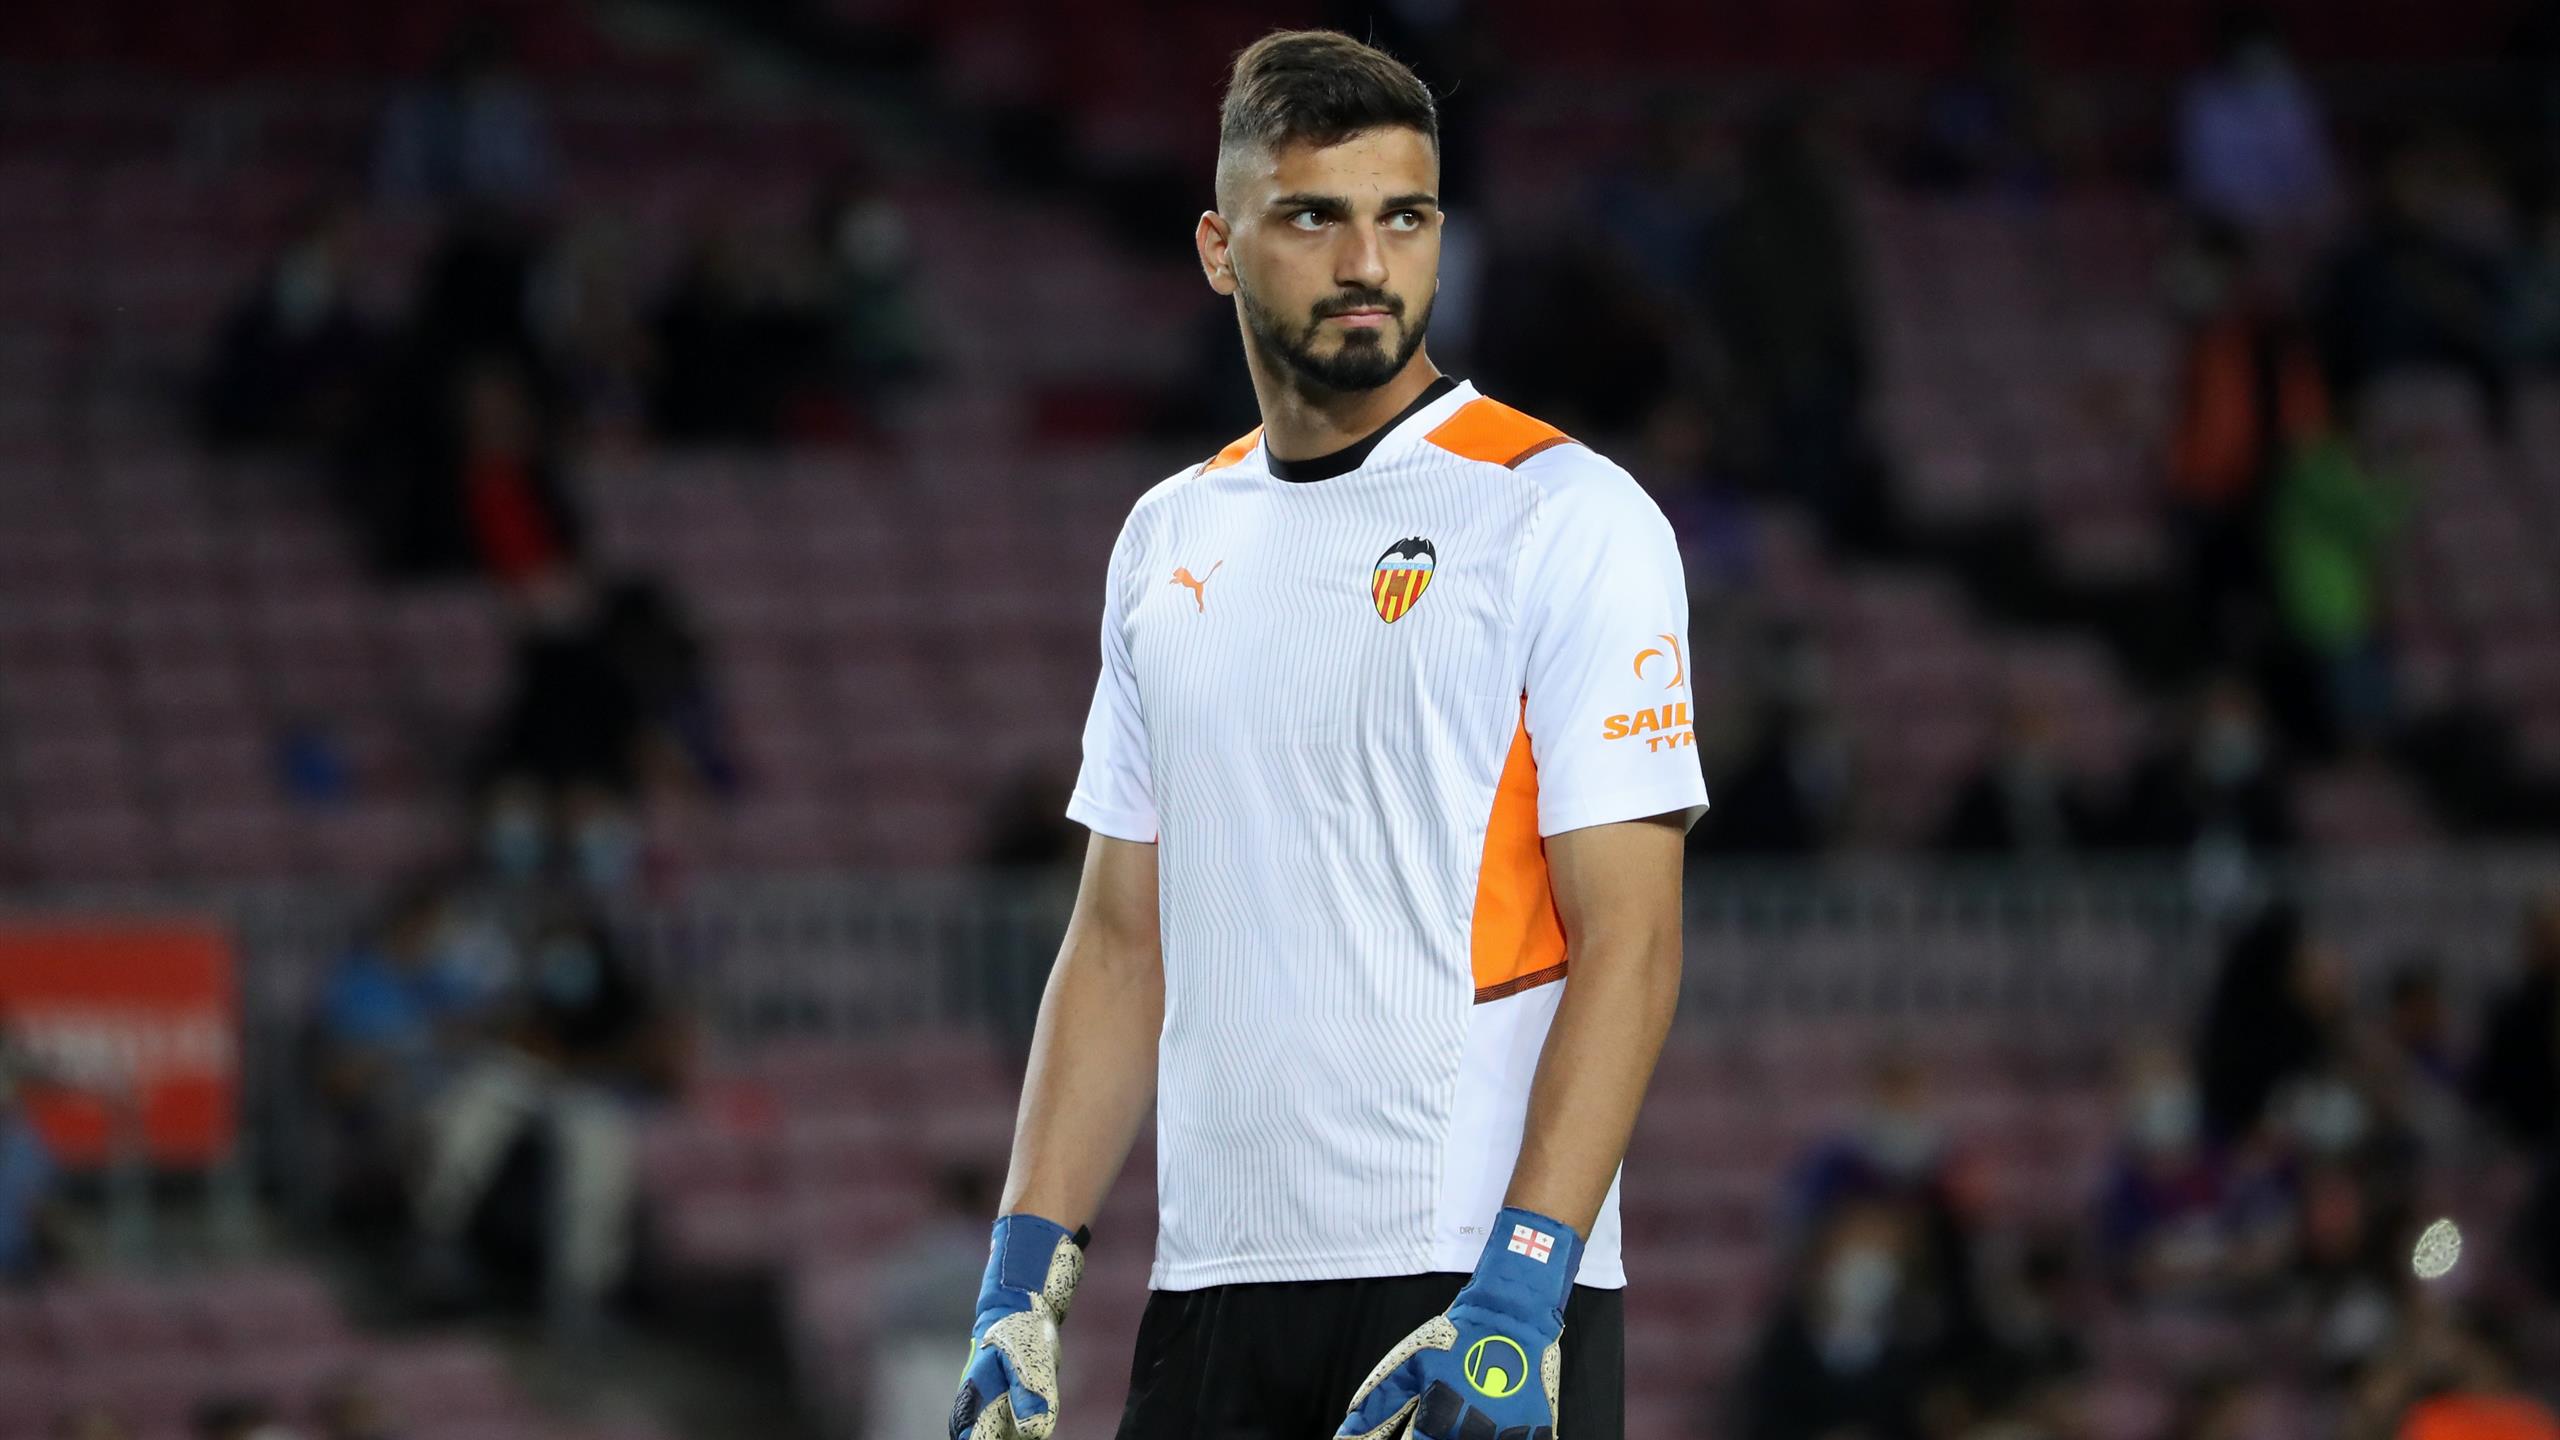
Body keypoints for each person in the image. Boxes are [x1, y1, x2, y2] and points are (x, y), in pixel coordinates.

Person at [950, 31, 1707, 1440]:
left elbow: (1635, 941)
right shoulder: (1167, 538)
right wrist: (1018, 1278)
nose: (1368, 263)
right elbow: (1117, 940)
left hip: (1467, 1288)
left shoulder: (1566, 513)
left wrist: (1521, 1290)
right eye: (1313, 218)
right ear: (1218, 248)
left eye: (1403, 218)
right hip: (1211, 1289)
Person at [412, 906, 681, 1339]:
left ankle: (582, 1292)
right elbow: (509, 1040)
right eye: (555, 947)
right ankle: (437, 1238)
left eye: (572, 947)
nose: (563, 959)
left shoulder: (624, 997)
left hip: (594, 1094)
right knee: (476, 1099)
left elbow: (651, 1061)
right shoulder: (532, 990)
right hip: (534, 1082)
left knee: (598, 1148)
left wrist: (593, 1063)